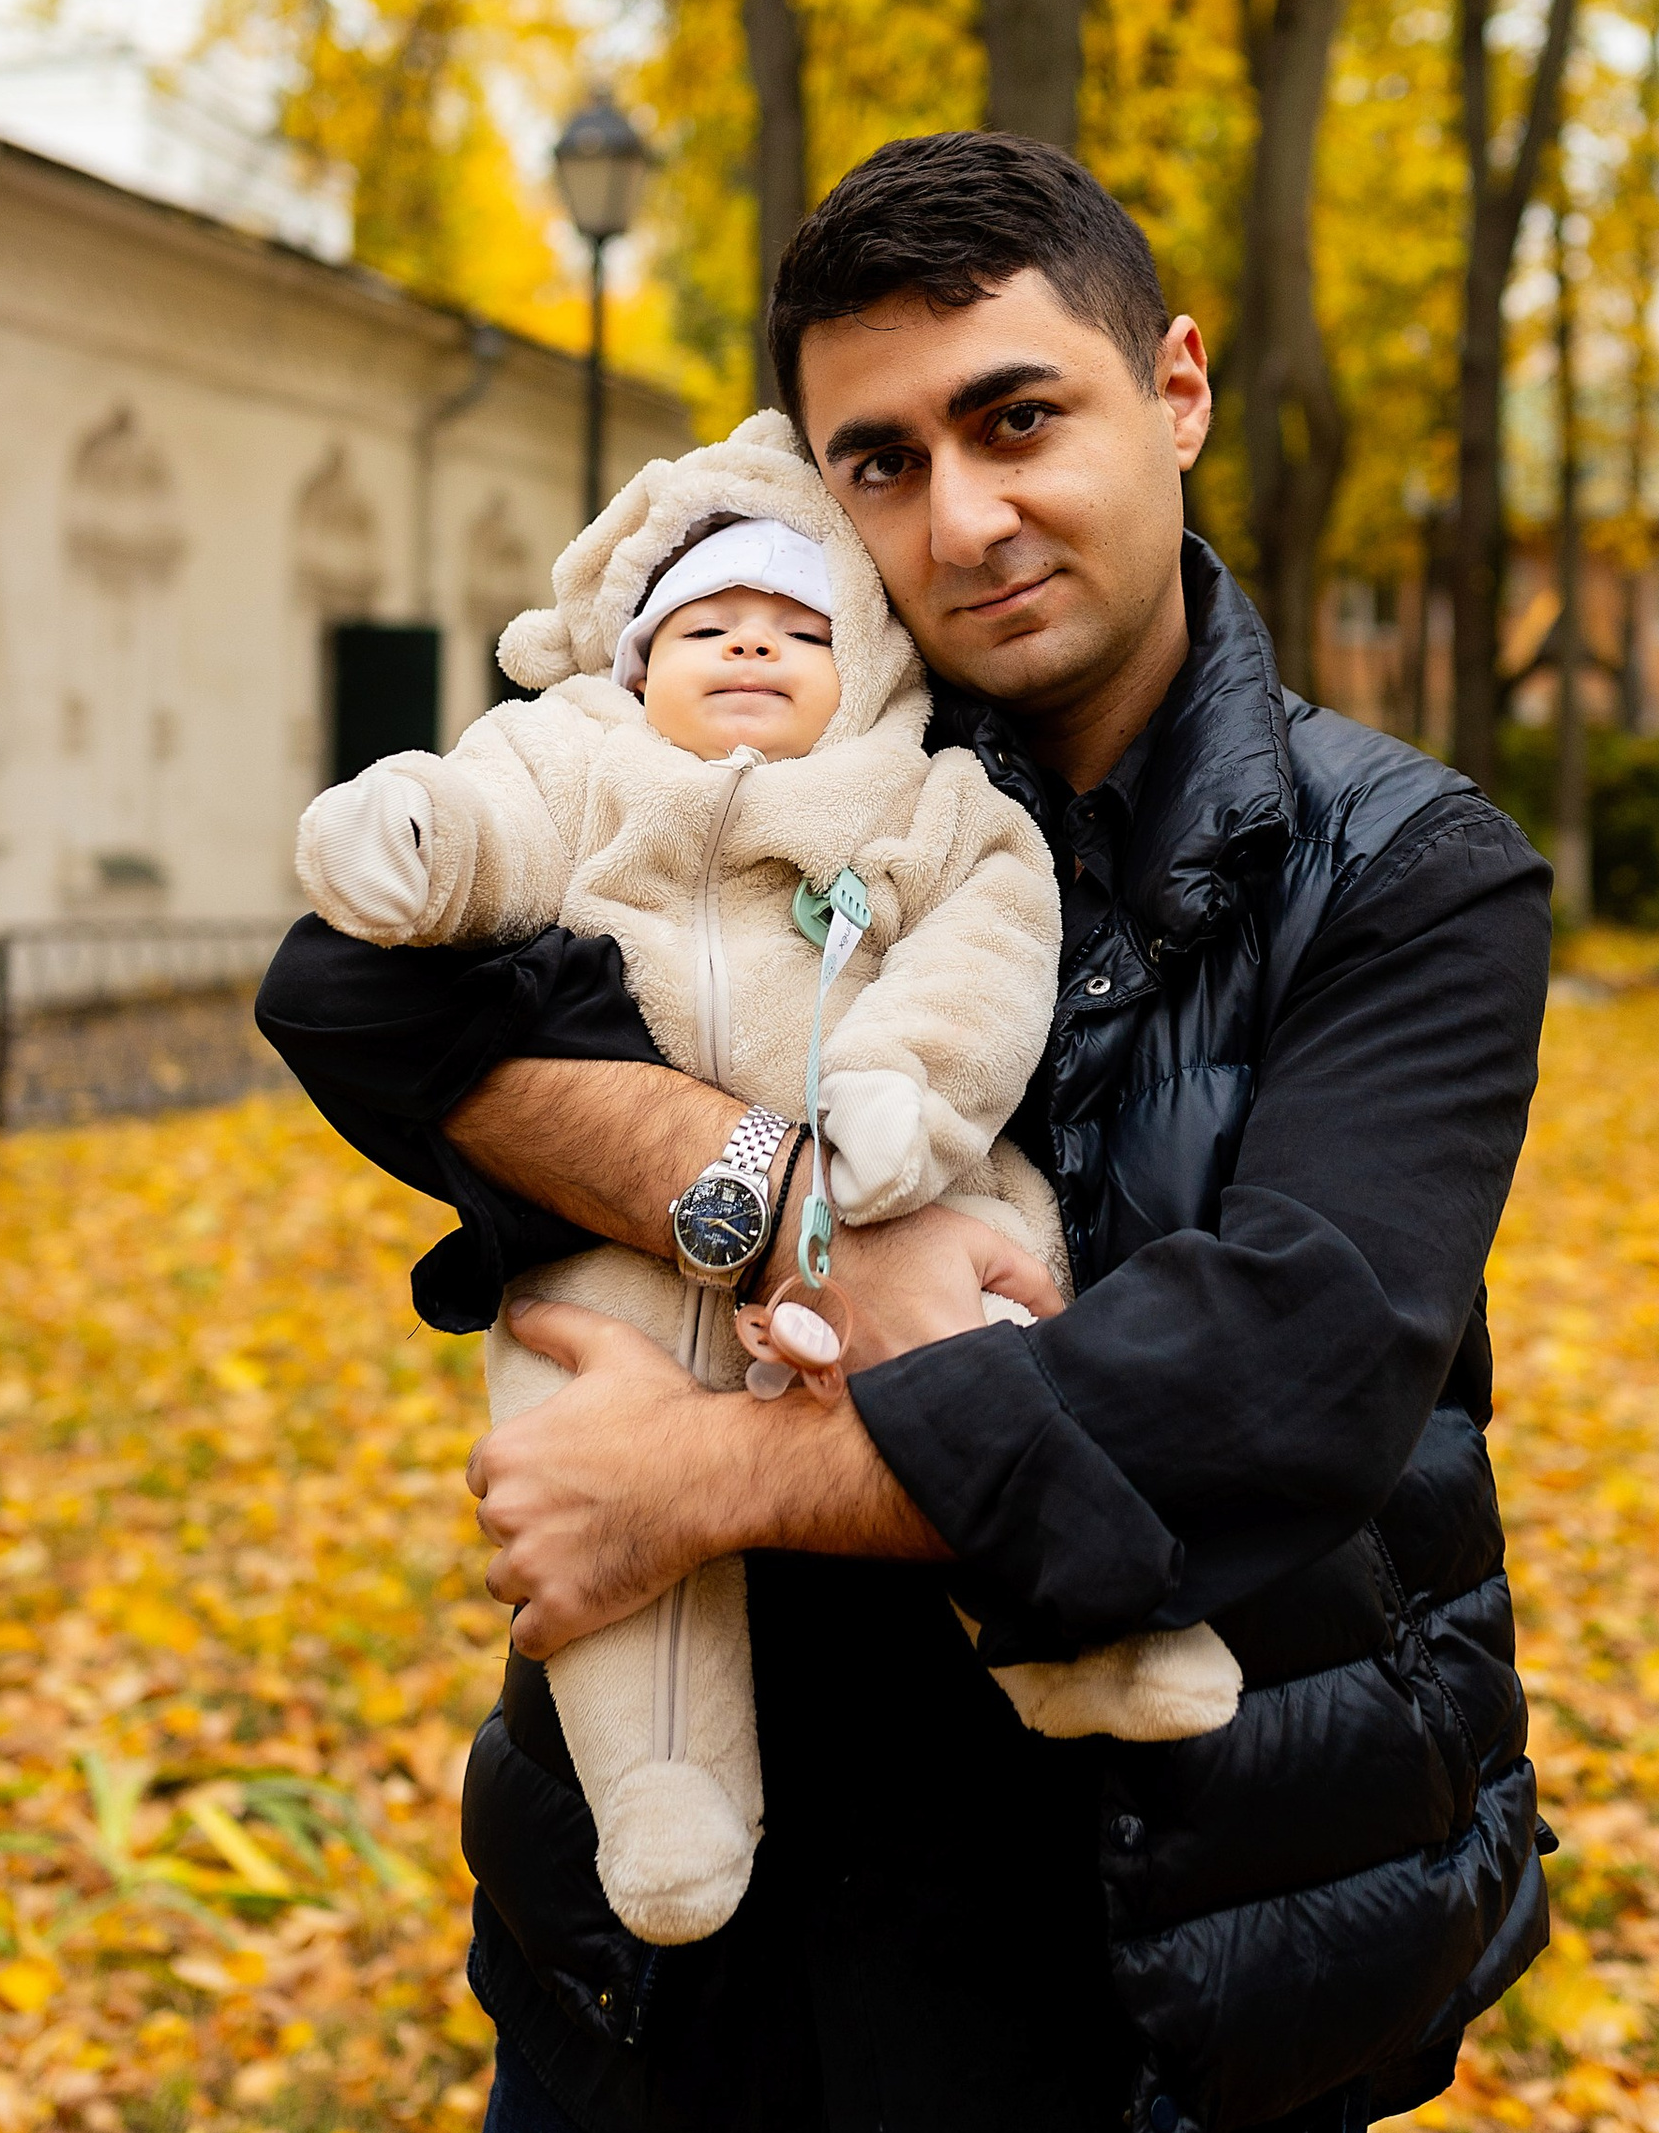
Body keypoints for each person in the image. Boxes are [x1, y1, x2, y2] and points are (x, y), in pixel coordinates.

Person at [256, 134, 1554, 2133]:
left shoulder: (1397, 878)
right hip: (672, 2037)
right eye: (880, 456)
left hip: (1139, 2035)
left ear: (1170, 392)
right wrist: (745, 1191)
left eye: (1016, 418)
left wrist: (707, 1482)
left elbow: (1277, 1378)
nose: (956, 518)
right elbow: (344, 984)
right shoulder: (742, 757)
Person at [289, 409, 1237, 1949]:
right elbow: (459, 848)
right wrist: (414, 836)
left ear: (861, 662)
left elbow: (989, 946)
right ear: (635, 657)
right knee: (587, 1445)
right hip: (612, 1255)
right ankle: (667, 1788)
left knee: (996, 1349)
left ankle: (1089, 1625)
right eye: (707, 625)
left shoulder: (914, 794)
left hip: (909, 1192)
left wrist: (904, 1100)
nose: (749, 650)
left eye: (799, 628)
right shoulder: (581, 761)